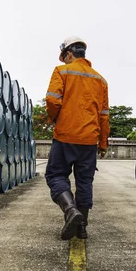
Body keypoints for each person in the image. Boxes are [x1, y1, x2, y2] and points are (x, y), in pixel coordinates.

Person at [45, 36, 110, 240]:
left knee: (55, 175)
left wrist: (56, 119)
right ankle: (82, 228)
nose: (63, 60)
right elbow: (104, 116)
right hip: (89, 140)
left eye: (64, 57)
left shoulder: (61, 71)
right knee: (84, 182)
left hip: (65, 136)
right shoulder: (100, 80)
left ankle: (71, 210)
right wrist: (103, 143)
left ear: (69, 53)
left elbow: (52, 100)